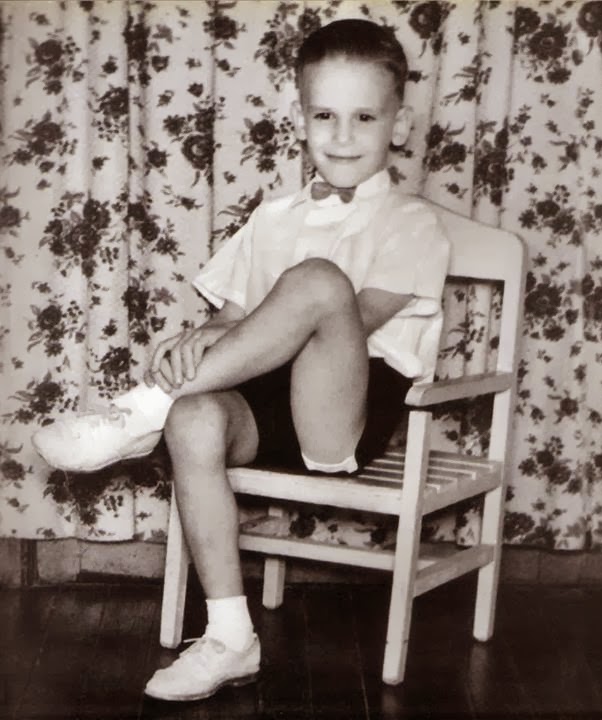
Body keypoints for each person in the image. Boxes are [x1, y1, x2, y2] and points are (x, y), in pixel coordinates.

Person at [32, 18, 449, 702]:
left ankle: (139, 409)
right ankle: (230, 636)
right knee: (195, 417)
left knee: (318, 281)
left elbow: (348, 317)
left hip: (343, 409)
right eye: (324, 115)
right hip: (259, 398)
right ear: (301, 119)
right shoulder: (273, 215)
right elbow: (230, 321)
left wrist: (233, 335)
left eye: (364, 116)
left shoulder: (412, 223)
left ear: (398, 126)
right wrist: (195, 340)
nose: (342, 136)